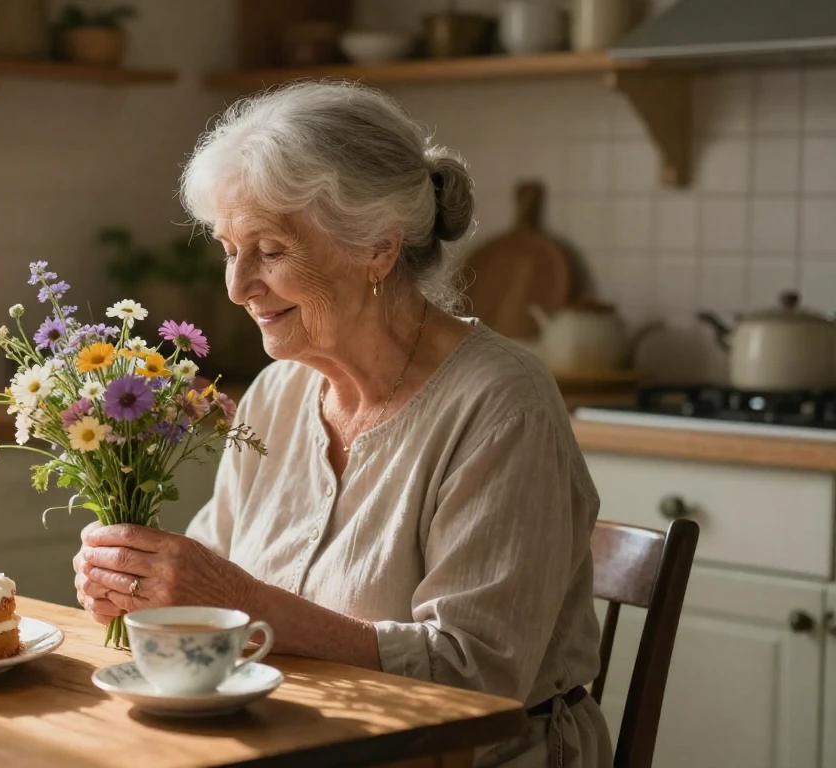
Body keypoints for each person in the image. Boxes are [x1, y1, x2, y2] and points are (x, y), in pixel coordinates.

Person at [73, 81, 610, 767]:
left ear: (377, 248)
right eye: (229, 249)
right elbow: (210, 590)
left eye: (270, 250)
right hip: (301, 741)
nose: (237, 286)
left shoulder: (503, 402)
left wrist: (244, 602)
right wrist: (140, 587)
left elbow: (475, 676)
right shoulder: (277, 394)